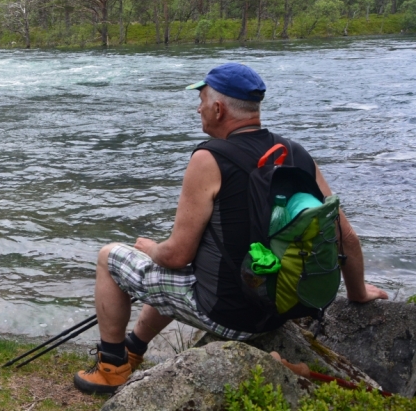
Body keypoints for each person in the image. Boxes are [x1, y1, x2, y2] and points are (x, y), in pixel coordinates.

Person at [73, 63, 389, 394]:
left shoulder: (209, 158)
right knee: (176, 275)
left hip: (228, 314)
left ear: (218, 108)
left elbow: (178, 255)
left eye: (202, 99)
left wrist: (152, 249)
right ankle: (135, 347)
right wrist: (358, 293)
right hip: (278, 308)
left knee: (110, 257)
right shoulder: (295, 153)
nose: (198, 107)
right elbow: (346, 236)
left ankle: (111, 367)